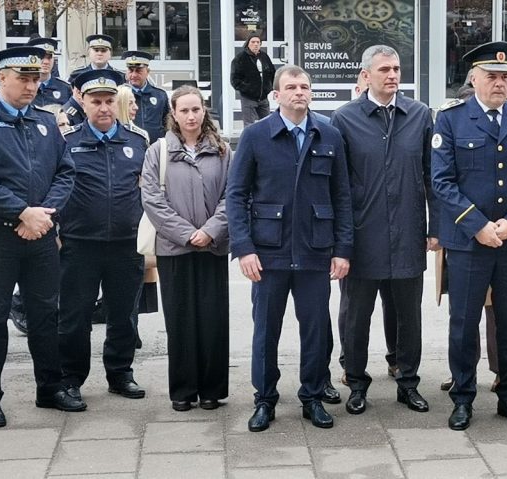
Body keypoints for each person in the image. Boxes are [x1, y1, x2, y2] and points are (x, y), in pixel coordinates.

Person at [226, 65, 353, 431]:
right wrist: (244, 247)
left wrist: (342, 249)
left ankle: (312, 397)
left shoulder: (328, 134)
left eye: (305, 87)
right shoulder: (255, 136)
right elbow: (236, 195)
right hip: (268, 253)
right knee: (265, 331)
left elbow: (342, 196)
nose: (299, 92)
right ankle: (264, 399)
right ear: (276, 95)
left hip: (316, 250)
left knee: (315, 330)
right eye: (291, 87)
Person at [0, 46, 79, 427]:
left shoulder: (45, 120)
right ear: (3, 78)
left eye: (36, 79)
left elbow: (66, 172)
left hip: (40, 233)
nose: (31, 86)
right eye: (23, 79)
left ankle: (50, 387)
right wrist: (21, 212)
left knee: (45, 314)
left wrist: (43, 215)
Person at [431, 41, 507, 431]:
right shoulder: (450, 119)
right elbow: (442, 181)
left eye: (506, 77)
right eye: (492, 77)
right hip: (468, 241)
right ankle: (463, 396)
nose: (501, 83)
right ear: (474, 80)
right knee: (463, 322)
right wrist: (477, 225)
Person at [329, 45, 437, 416]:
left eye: (397, 69)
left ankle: (408, 382)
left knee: (409, 315)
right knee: (356, 316)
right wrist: (341, 242)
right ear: (365, 76)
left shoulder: (420, 115)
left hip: (408, 234)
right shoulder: (344, 120)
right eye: (385, 70)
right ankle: (356, 382)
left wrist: (434, 227)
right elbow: (337, 186)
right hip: (363, 237)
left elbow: (432, 176)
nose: (393, 75)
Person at [58, 69, 150, 406]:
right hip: (80, 243)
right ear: (82, 102)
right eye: (95, 101)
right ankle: (70, 378)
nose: (103, 108)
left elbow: (148, 191)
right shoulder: (67, 142)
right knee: (74, 316)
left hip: (126, 244)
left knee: (124, 313)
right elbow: (55, 189)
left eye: (109, 101)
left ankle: (120, 373)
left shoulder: (137, 141)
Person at [141, 85, 231, 412]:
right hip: (174, 250)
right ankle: (182, 390)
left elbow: (231, 197)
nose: (191, 116)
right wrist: (186, 234)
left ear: (204, 111)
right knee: (180, 320)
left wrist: (209, 232)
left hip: (213, 247)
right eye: (184, 111)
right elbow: (153, 200)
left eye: (197, 109)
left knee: (213, 320)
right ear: (173, 114)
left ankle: (212, 390)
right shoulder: (159, 151)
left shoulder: (221, 151)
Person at [123, 51, 170, 141]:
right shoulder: (121, 95)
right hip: (129, 147)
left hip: (155, 147)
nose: (134, 75)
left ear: (147, 71)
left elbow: (167, 123)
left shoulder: (160, 95)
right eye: (130, 70)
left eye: (138, 70)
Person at [230, 34, 276, 126]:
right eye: (253, 42)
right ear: (248, 44)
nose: (255, 44)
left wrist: (269, 87)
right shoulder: (240, 58)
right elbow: (235, 79)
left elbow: (272, 72)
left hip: (263, 98)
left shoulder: (264, 56)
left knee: (267, 124)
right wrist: (247, 89)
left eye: (258, 42)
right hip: (248, 98)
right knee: (249, 125)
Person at [27, 38, 71, 108]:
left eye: (49, 57)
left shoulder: (65, 88)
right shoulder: (24, 87)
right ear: (32, 59)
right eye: (41, 57)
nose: (46, 62)